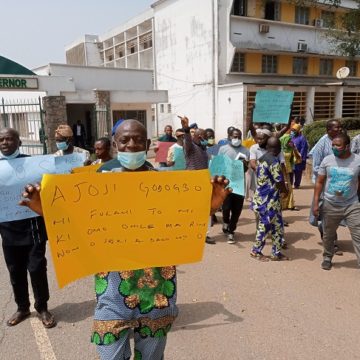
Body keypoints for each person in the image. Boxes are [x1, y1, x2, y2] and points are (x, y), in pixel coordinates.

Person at [19, 119, 231, 360]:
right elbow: (76, 223)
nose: (132, 145)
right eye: (125, 140)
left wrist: (209, 207)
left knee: (151, 357)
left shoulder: (168, 184)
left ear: (148, 144)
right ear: (115, 143)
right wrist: (45, 209)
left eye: (138, 140)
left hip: (158, 288)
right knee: (110, 354)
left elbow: (181, 225)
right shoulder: (94, 182)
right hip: (112, 289)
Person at [0, 128, 56, 328]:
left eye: (9, 138)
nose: (5, 142)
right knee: (15, 270)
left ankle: (42, 307)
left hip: (33, 225)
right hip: (7, 228)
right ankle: (22, 307)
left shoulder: (32, 164)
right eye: (1, 139)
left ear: (18, 142)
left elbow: (51, 186)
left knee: (36, 268)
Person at [313, 133, 360, 270]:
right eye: (333, 145)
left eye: (337, 145)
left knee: (358, 234)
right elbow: (320, 182)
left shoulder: (357, 161)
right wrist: (316, 203)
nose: (334, 147)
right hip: (330, 204)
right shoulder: (327, 160)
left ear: (347, 146)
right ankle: (327, 256)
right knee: (328, 234)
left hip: (352, 204)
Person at [250, 137, 289, 261]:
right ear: (278, 149)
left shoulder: (263, 158)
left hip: (269, 198)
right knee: (265, 226)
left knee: (278, 226)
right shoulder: (273, 162)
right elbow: (279, 181)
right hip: (268, 201)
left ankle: (276, 253)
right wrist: (285, 191)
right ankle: (255, 251)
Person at [309, 119, 343, 254]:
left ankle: (330, 238)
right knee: (324, 213)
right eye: (337, 128)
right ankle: (329, 241)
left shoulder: (343, 142)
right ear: (328, 130)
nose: (340, 129)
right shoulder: (322, 145)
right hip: (324, 184)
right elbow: (316, 167)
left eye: (340, 127)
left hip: (339, 184)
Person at [218, 128, 249, 244]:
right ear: (229, 136)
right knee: (226, 208)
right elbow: (219, 165)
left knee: (237, 210)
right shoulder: (223, 149)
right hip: (226, 183)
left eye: (239, 137)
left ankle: (231, 232)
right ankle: (225, 221)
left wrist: (244, 165)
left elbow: (246, 169)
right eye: (235, 136)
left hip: (239, 183)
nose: (237, 139)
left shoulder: (245, 151)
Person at [280, 132, 302, 210]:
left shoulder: (291, 148)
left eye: (290, 140)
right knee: (281, 188)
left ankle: (290, 205)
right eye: (288, 141)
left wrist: (294, 149)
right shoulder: (278, 149)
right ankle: (281, 205)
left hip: (288, 170)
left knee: (289, 187)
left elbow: (298, 159)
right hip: (280, 171)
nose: (290, 142)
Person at [290, 123, 308, 188]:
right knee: (291, 172)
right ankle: (290, 184)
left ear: (298, 131)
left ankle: (297, 184)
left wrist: (301, 157)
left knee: (298, 172)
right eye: (292, 130)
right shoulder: (291, 138)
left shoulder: (302, 138)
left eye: (294, 130)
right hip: (291, 158)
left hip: (298, 158)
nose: (292, 132)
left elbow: (304, 148)